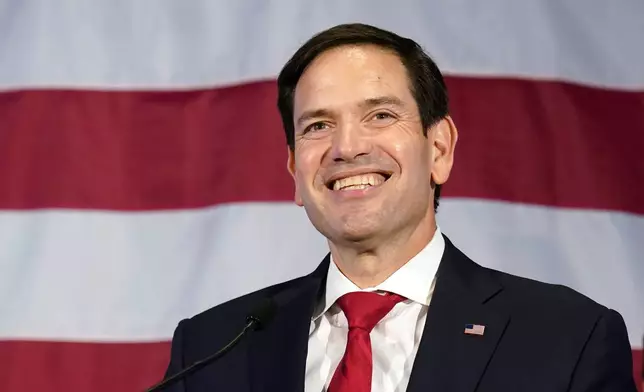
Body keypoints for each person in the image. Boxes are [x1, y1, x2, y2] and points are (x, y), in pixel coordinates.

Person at [160, 23, 637, 391]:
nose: (346, 147)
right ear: (295, 173)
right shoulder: (211, 349)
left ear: (440, 148)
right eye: (317, 126)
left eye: (380, 115)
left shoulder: (569, 339)